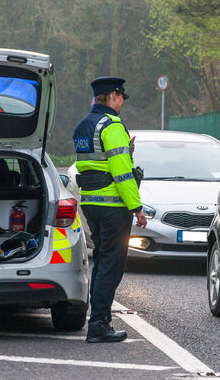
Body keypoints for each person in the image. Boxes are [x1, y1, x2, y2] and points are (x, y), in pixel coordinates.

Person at [73, 76, 147, 343]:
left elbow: (96, 163)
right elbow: (122, 174)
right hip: (113, 206)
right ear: (114, 96)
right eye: (121, 98)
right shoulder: (113, 126)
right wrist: (136, 207)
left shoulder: (84, 125)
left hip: (91, 203)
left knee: (102, 262)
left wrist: (126, 150)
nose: (122, 104)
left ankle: (97, 320)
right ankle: (99, 325)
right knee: (111, 266)